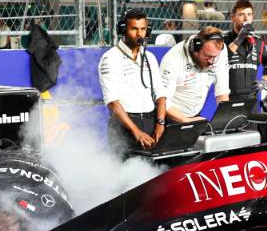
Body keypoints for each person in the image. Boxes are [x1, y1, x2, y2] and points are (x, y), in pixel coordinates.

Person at [98, 9, 162, 156]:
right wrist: (136, 132)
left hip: (150, 122)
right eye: (134, 29)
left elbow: (161, 94)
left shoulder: (150, 57)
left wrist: (160, 124)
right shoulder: (110, 59)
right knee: (127, 174)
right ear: (123, 30)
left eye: (143, 29)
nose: (140, 34)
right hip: (124, 126)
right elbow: (113, 102)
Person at [157, 26, 230, 124]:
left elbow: (222, 89)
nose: (211, 62)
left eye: (214, 57)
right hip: (171, 116)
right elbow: (162, 100)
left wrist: (226, 118)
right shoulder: (172, 59)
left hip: (195, 115)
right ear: (195, 48)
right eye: (207, 56)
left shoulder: (219, 50)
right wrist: (185, 120)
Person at [223, 0, 267, 104]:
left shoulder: (258, 42)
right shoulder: (224, 40)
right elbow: (219, 60)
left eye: (249, 14)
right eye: (241, 14)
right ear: (233, 17)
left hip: (251, 100)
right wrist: (239, 39)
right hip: (229, 99)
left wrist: (264, 80)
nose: (246, 18)